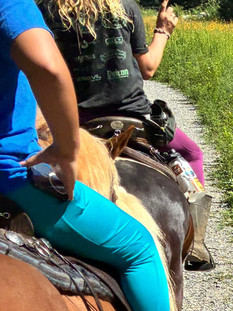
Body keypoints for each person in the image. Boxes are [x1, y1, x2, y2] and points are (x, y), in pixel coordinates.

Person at [0, 0, 216, 311]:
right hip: (15, 175)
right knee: (139, 243)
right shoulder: (20, 4)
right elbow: (52, 67)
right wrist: (65, 146)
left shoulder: (51, 8)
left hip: (82, 114)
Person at [40, 0, 215, 270]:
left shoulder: (48, 10)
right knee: (192, 153)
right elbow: (148, 68)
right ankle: (197, 245)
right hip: (133, 118)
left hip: (78, 123)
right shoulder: (125, 7)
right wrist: (163, 30)